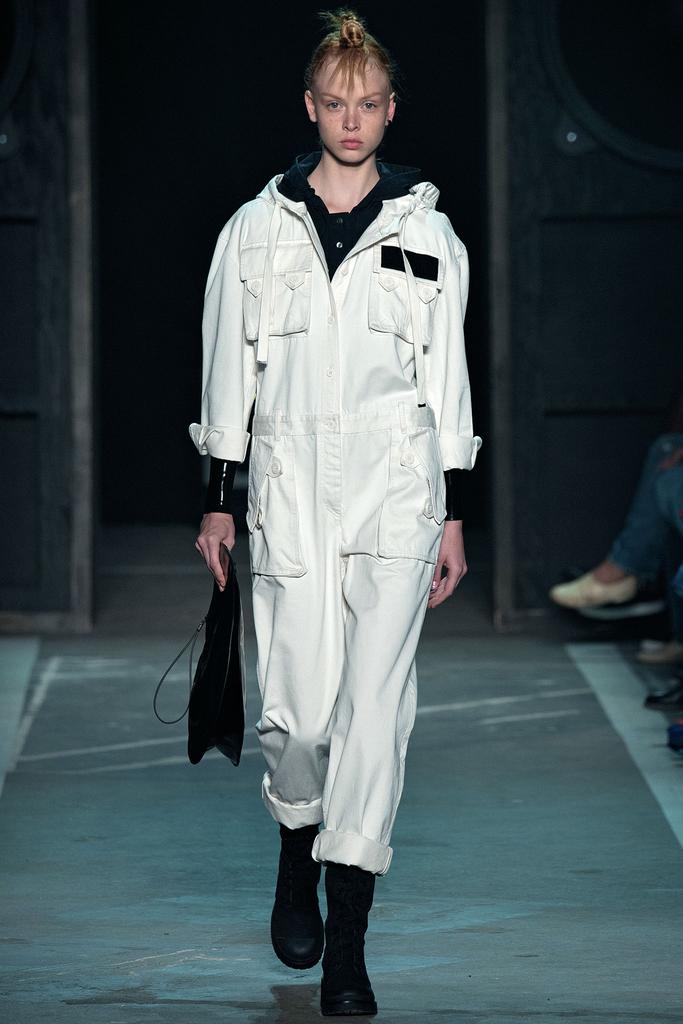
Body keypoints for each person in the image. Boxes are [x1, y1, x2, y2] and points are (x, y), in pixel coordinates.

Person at [190, 10, 481, 1016]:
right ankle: (293, 839)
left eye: (367, 104)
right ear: (309, 108)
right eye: (334, 103)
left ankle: (349, 943)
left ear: (390, 111)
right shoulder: (254, 229)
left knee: (373, 713)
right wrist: (218, 503)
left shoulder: (428, 233)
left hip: (397, 486)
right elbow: (226, 372)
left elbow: (446, 380)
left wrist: (452, 514)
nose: (350, 120)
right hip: (287, 484)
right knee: (299, 715)